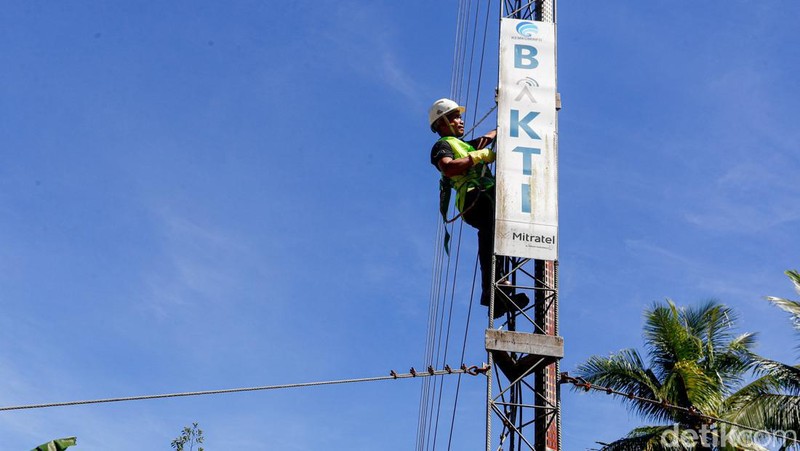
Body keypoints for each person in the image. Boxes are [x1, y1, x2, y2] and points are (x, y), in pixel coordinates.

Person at [428, 98, 528, 318]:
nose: (461, 121)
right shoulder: (443, 146)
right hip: (474, 198)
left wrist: (505, 125)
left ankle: (497, 292)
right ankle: (493, 287)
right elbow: (449, 168)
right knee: (490, 230)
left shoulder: (464, 145)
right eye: (455, 117)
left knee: (497, 233)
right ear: (442, 122)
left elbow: (485, 140)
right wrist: (478, 157)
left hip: (487, 195)